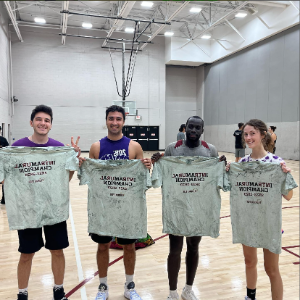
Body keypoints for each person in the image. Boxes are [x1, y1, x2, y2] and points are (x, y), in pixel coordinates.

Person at [152, 116, 226, 300]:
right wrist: (157, 162)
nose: (193, 130)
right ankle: (172, 292)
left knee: (193, 247)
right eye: (190, 127)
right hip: (176, 207)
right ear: (185, 128)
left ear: (202, 130)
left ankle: (188, 289)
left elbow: (216, 177)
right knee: (175, 249)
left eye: (197, 127)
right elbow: (163, 174)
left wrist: (221, 166)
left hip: (199, 208)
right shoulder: (172, 148)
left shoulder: (210, 150)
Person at [11, 105, 80, 300]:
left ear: (50, 125)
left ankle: (58, 290)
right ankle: (22, 294)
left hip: (53, 208)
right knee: (26, 254)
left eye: (47, 120)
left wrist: (72, 159)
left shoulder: (58, 148)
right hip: (28, 210)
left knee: (57, 251)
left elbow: (65, 180)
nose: (43, 123)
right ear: (32, 122)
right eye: (39, 119)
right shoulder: (17, 148)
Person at [88, 105, 151, 300]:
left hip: (127, 207)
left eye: (118, 119)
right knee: (102, 246)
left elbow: (142, 180)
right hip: (103, 207)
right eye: (111, 118)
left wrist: (146, 167)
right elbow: (92, 179)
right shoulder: (96, 147)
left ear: (124, 121)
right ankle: (103, 287)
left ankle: (129, 286)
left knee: (129, 247)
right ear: (106, 120)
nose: (114, 122)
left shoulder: (134, 147)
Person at [226, 119, 293, 300]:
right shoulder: (243, 163)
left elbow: (289, 196)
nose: (248, 137)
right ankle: (251, 296)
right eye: (245, 134)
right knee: (249, 262)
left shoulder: (276, 162)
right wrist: (229, 171)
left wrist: (285, 174)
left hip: (269, 223)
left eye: (252, 133)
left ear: (263, 135)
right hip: (248, 221)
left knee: (271, 269)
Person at [0, 126, 9, 204]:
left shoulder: (3, 140)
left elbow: (8, 151)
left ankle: (4, 199)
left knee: (3, 181)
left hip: (2, 162)